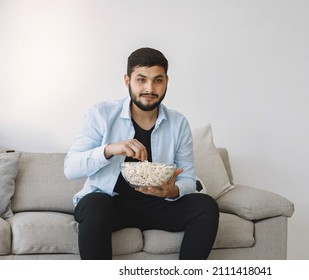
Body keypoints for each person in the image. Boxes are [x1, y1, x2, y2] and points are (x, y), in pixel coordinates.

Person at [64, 47, 219, 260]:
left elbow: (188, 179)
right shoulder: (100, 114)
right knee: (93, 206)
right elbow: (71, 168)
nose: (150, 88)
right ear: (127, 80)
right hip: (110, 204)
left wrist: (172, 191)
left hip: (157, 205)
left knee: (205, 206)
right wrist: (110, 149)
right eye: (141, 79)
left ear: (167, 81)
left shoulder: (178, 122)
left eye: (158, 80)